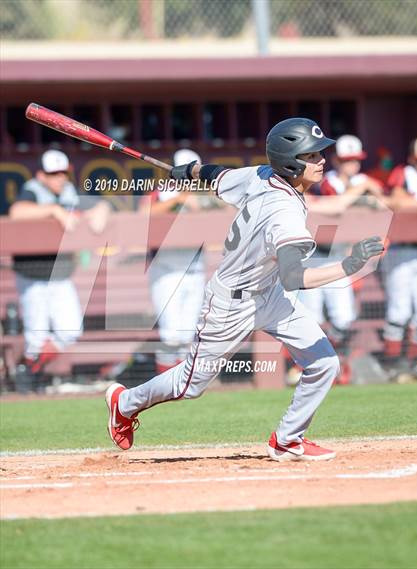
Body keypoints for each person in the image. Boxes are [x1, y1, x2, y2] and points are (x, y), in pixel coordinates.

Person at [106, 118, 383, 461]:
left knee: (324, 362)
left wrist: (191, 170)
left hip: (270, 295)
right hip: (231, 304)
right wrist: (349, 266)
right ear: (291, 162)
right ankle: (124, 402)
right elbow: (295, 278)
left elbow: (216, 175)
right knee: (189, 386)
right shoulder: (284, 213)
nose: (322, 160)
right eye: (312, 155)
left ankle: (287, 439)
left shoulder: (261, 175)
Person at [9, 149, 112, 391]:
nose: (58, 178)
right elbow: (17, 212)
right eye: (52, 173)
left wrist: (100, 211)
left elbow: (100, 205)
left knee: (71, 329)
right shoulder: (34, 189)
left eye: (62, 173)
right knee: (37, 335)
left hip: (61, 274)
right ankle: (27, 383)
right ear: (41, 174)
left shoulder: (68, 191)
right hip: (32, 275)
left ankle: (28, 368)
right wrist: (54, 211)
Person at [298, 135, 384, 383]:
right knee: (311, 318)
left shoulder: (362, 181)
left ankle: (336, 362)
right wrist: (363, 189)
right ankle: (310, 367)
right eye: (347, 161)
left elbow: (383, 201)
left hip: (338, 256)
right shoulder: (326, 180)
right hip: (313, 257)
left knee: (344, 318)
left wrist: (368, 189)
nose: (351, 166)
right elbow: (336, 205)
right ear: (337, 160)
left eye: (355, 161)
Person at [149, 149, 206, 373]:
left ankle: (180, 387)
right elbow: (146, 213)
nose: (189, 177)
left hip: (195, 269)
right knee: (171, 335)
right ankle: (163, 384)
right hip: (166, 270)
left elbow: (224, 210)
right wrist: (180, 200)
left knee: (187, 334)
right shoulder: (164, 193)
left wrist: (197, 202)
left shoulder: (204, 193)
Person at [381, 137, 417, 378]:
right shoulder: (404, 173)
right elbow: (396, 201)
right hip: (401, 249)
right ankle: (392, 363)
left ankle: (416, 362)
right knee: (399, 310)